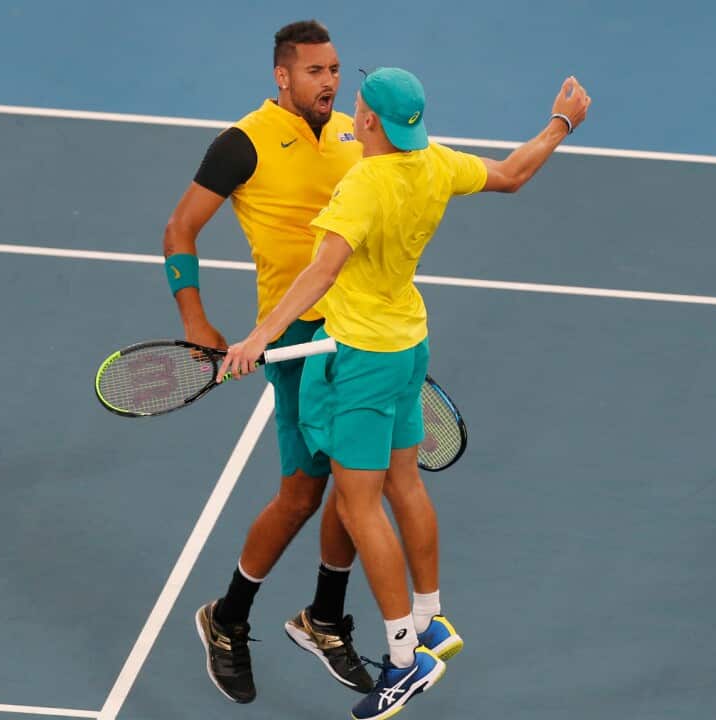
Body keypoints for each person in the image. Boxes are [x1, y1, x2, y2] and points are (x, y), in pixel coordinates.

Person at [217, 67, 591, 719]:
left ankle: (402, 661)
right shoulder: (436, 164)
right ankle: (429, 618)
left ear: (367, 123)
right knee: (406, 484)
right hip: (409, 342)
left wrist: (258, 337)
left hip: (362, 358)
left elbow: (321, 269)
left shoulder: (364, 183)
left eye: (357, 107)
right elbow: (512, 174)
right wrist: (560, 123)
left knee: (361, 507)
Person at [162, 20, 372, 703]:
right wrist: (195, 318)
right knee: (307, 493)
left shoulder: (352, 133)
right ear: (283, 76)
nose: (330, 82)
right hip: (296, 337)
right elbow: (180, 228)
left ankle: (322, 617)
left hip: (358, 331)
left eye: (335, 70)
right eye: (315, 71)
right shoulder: (242, 144)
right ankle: (234, 620)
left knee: (346, 482)